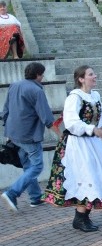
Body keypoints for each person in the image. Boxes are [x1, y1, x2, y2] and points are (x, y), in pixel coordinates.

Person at [42, 65, 102, 232]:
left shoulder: (95, 96)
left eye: (94, 74)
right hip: (77, 144)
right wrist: (91, 129)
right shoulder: (74, 97)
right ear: (81, 79)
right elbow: (71, 122)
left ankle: (84, 217)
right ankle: (80, 218)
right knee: (85, 175)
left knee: (97, 175)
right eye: (91, 74)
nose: (94, 76)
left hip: (93, 143)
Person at [1, 62, 56, 211]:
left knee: (28, 166)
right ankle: (12, 193)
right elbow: (47, 117)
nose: (43, 77)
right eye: (42, 74)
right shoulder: (37, 91)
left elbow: (5, 110)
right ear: (38, 75)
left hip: (14, 134)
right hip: (29, 135)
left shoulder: (14, 85)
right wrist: (61, 133)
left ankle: (35, 197)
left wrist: (8, 132)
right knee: (37, 166)